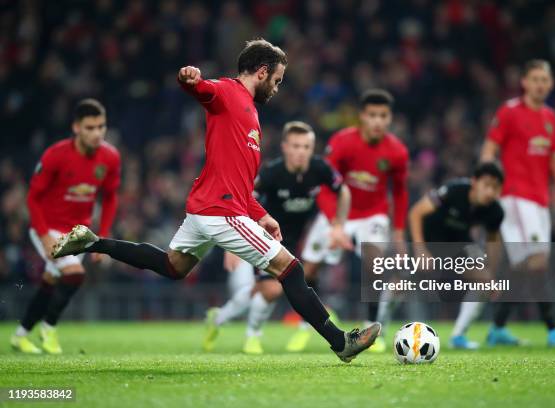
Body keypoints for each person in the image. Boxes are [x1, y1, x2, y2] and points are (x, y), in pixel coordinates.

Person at [52, 39, 380, 362]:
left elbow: (238, 182)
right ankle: (341, 342)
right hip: (222, 213)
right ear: (262, 72)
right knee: (291, 270)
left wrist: (261, 214)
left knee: (171, 265)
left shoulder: (249, 110)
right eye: (277, 80)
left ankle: (93, 243)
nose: (277, 88)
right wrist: (190, 81)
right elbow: (203, 91)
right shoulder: (227, 92)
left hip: (207, 209)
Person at [202, 121, 352, 354]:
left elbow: (343, 191)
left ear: (312, 148)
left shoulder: (319, 168)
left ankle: (218, 319)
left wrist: (339, 225)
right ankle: (253, 336)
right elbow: (242, 199)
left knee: (259, 290)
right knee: (272, 289)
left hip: (293, 240)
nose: (301, 152)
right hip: (264, 235)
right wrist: (232, 245)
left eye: (306, 146)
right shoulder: (272, 173)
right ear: (285, 147)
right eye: (295, 146)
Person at [294, 89, 409, 353]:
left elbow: (400, 192)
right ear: (362, 117)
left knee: (375, 263)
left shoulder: (397, 152)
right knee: (309, 269)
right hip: (339, 212)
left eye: (383, 116)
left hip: (373, 214)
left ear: (389, 118)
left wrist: (399, 230)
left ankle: (372, 327)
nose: (377, 121)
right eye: (372, 115)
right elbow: (323, 185)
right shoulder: (343, 142)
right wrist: (336, 223)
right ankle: (305, 325)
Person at [11, 99, 121, 354]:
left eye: (101, 127)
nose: (97, 133)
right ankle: (49, 329)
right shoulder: (56, 155)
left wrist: (101, 236)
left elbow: (111, 197)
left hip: (78, 232)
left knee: (52, 280)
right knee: (74, 274)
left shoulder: (110, 157)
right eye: (90, 127)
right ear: (76, 127)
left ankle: (20, 335)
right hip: (48, 227)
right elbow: (33, 197)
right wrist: (44, 236)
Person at [480, 59, 555, 347]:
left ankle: (497, 326)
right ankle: (553, 328)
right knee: (536, 261)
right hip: (514, 197)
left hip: (540, 201)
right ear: (524, 82)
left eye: (544, 80)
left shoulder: (550, 117)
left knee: (524, 264)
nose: (539, 85)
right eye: (534, 79)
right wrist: (485, 182)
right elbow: (490, 146)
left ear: (551, 84)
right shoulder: (509, 112)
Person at [409, 162, 505, 349]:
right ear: (474, 182)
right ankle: (378, 332)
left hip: (456, 245)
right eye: (487, 185)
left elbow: (493, 242)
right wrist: (420, 250)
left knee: (485, 281)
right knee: (398, 282)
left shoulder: (495, 211)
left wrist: (492, 275)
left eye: (496, 188)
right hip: (426, 240)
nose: (490, 192)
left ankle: (458, 336)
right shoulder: (453, 191)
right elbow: (416, 213)